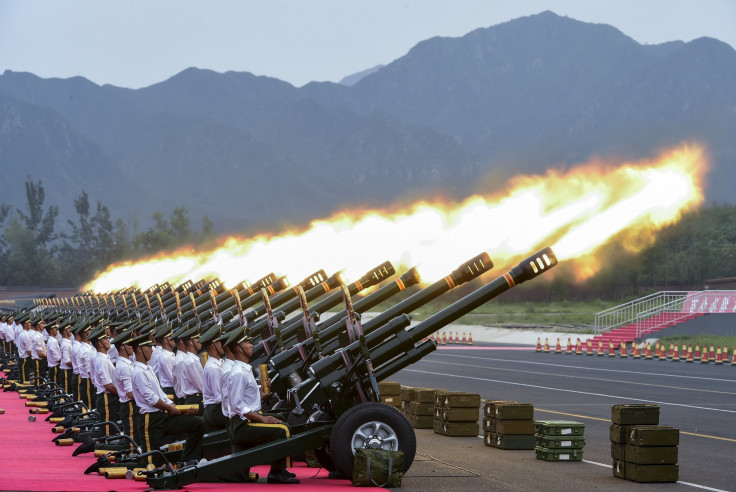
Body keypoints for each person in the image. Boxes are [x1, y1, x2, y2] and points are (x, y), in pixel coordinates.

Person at [224, 327, 299, 484]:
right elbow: (237, 405)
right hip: (241, 425)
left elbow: (246, 399)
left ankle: (280, 469)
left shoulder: (244, 369)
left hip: (245, 421)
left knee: (280, 417)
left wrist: (261, 392)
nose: (251, 345)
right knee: (283, 429)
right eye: (247, 342)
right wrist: (262, 419)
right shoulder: (239, 372)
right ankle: (276, 472)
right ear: (238, 348)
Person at [131, 332, 204, 466]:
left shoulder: (148, 369)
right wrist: (170, 408)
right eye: (148, 347)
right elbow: (151, 399)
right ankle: (115, 465)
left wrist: (174, 406)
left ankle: (187, 461)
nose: (152, 350)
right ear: (139, 350)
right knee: (150, 464)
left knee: (197, 424)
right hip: (150, 420)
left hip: (162, 416)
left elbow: (161, 394)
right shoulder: (138, 372)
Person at [90, 325, 119, 435]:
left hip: (110, 397)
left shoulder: (104, 358)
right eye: (106, 339)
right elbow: (108, 385)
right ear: (100, 344)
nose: (109, 341)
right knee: (107, 431)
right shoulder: (101, 360)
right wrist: (121, 393)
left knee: (111, 428)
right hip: (106, 398)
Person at [112, 329, 139, 444]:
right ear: (123, 347)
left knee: (135, 440)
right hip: (130, 406)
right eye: (129, 344)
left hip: (132, 405)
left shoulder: (127, 363)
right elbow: (130, 393)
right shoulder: (124, 366)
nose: (132, 347)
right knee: (133, 443)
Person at [200, 326, 227, 432]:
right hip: (215, 411)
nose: (223, 345)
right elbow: (220, 398)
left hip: (218, 409)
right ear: (212, 346)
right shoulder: (213, 368)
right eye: (220, 342)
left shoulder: (220, 363)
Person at [58, 323, 73, 395]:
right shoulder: (65, 344)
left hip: (68, 371)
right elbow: (67, 361)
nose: (71, 330)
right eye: (68, 329)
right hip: (66, 372)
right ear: (64, 331)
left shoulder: (67, 342)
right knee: (67, 394)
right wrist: (78, 366)